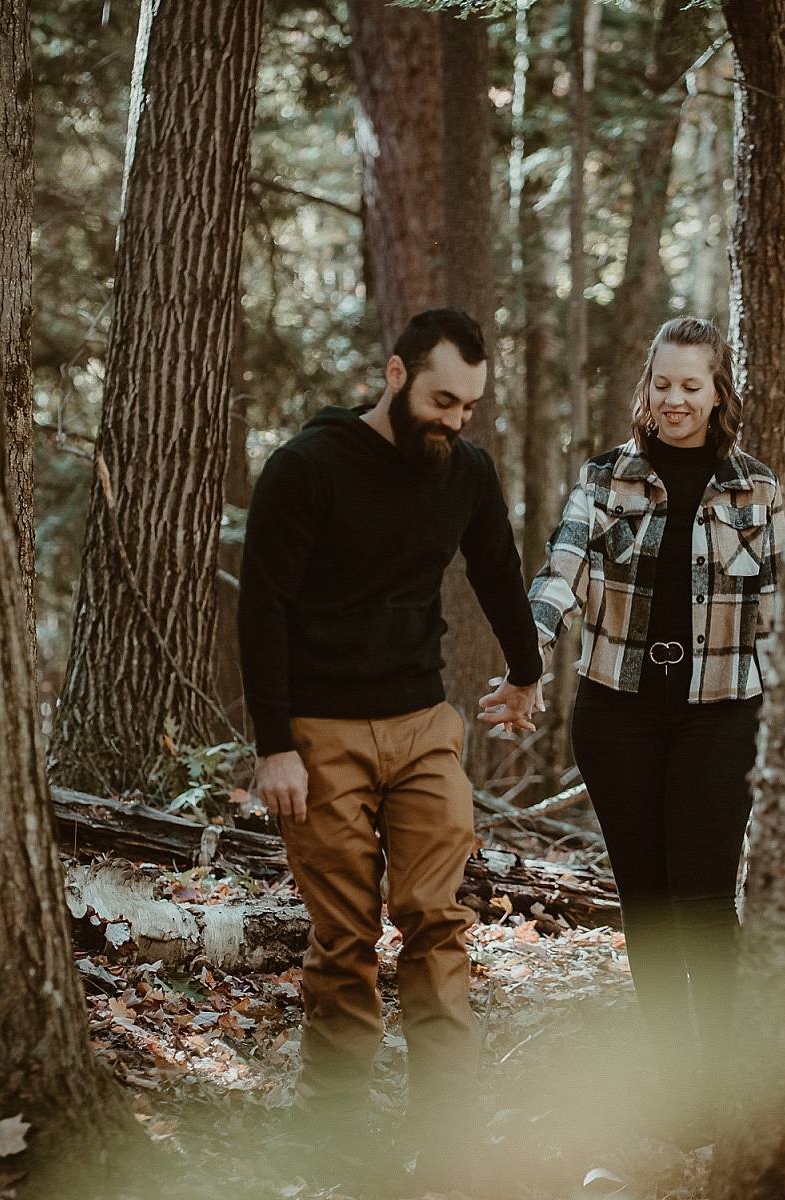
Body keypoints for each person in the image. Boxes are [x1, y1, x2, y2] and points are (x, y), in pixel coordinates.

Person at [238, 308, 543, 1192]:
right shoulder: (306, 468)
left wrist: (525, 672)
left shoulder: (465, 471)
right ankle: (334, 1143)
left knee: (437, 922)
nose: (456, 419)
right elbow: (263, 607)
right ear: (396, 374)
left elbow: (495, 568)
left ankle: (449, 1146)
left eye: (472, 406)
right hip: (320, 737)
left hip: (421, 727)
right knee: (341, 943)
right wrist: (274, 746)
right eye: (445, 399)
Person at [510, 315, 782, 1137]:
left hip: (721, 717)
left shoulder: (757, 491)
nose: (673, 399)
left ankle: (726, 1085)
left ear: (717, 393)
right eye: (662, 383)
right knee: (648, 901)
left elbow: (784, 611)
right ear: (647, 387)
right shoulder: (606, 481)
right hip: (617, 716)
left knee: (703, 897)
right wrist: (530, 659)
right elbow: (559, 572)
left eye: (690, 386)